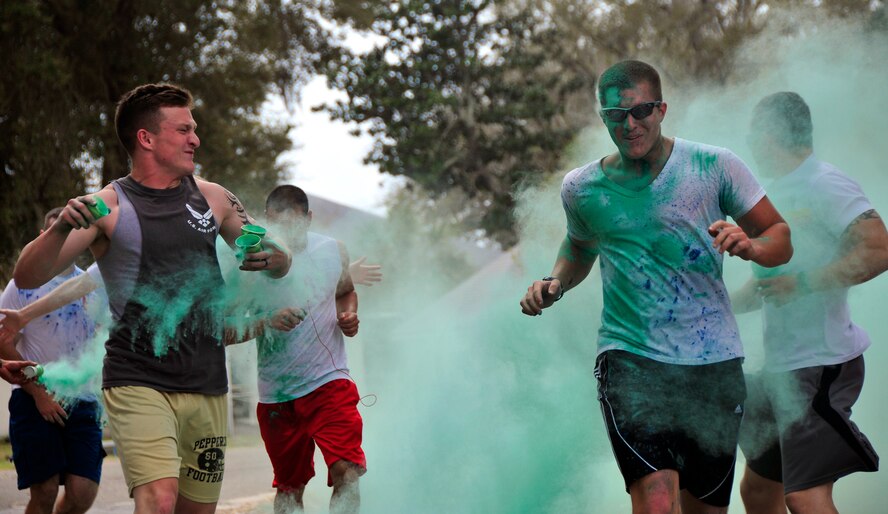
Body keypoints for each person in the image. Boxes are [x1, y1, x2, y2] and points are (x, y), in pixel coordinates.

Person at [519, 60, 793, 514]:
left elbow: (779, 237)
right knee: (658, 503)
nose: (629, 125)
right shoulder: (582, 188)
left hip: (713, 366)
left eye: (641, 111)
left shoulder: (714, 165)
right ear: (603, 117)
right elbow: (580, 247)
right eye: (615, 115)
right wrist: (554, 283)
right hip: (632, 362)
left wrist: (750, 245)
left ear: (661, 109)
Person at [12, 83, 292, 514]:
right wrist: (60, 227)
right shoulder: (108, 205)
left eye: (193, 129)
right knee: (159, 500)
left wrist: (275, 257)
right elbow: (27, 275)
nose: (195, 139)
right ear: (146, 138)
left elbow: (278, 256)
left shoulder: (214, 197)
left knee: (193, 511)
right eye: (183, 129)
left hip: (208, 382)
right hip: (137, 378)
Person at [733, 92, 886, 514]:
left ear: (772, 134)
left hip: (819, 365)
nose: (748, 141)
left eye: (754, 131)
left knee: (803, 496)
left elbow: (879, 249)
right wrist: (713, 309)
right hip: (782, 369)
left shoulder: (825, 182)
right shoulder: (777, 192)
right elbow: (767, 285)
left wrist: (802, 284)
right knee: (759, 492)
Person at [255, 185, 365, 514]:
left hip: (328, 381)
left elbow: (345, 291)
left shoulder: (333, 250)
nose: (285, 232)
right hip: (276, 393)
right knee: (290, 488)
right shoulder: (252, 261)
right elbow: (230, 319)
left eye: (293, 223)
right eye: (277, 224)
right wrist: (266, 319)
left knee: (347, 471)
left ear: (309, 218)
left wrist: (349, 314)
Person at [0, 207, 104, 514]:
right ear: (43, 237)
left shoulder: (92, 283)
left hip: (84, 401)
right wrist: (38, 392)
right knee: (43, 491)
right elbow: (3, 340)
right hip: (35, 402)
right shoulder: (21, 286)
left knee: (82, 494)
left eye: (71, 234)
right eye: (54, 233)